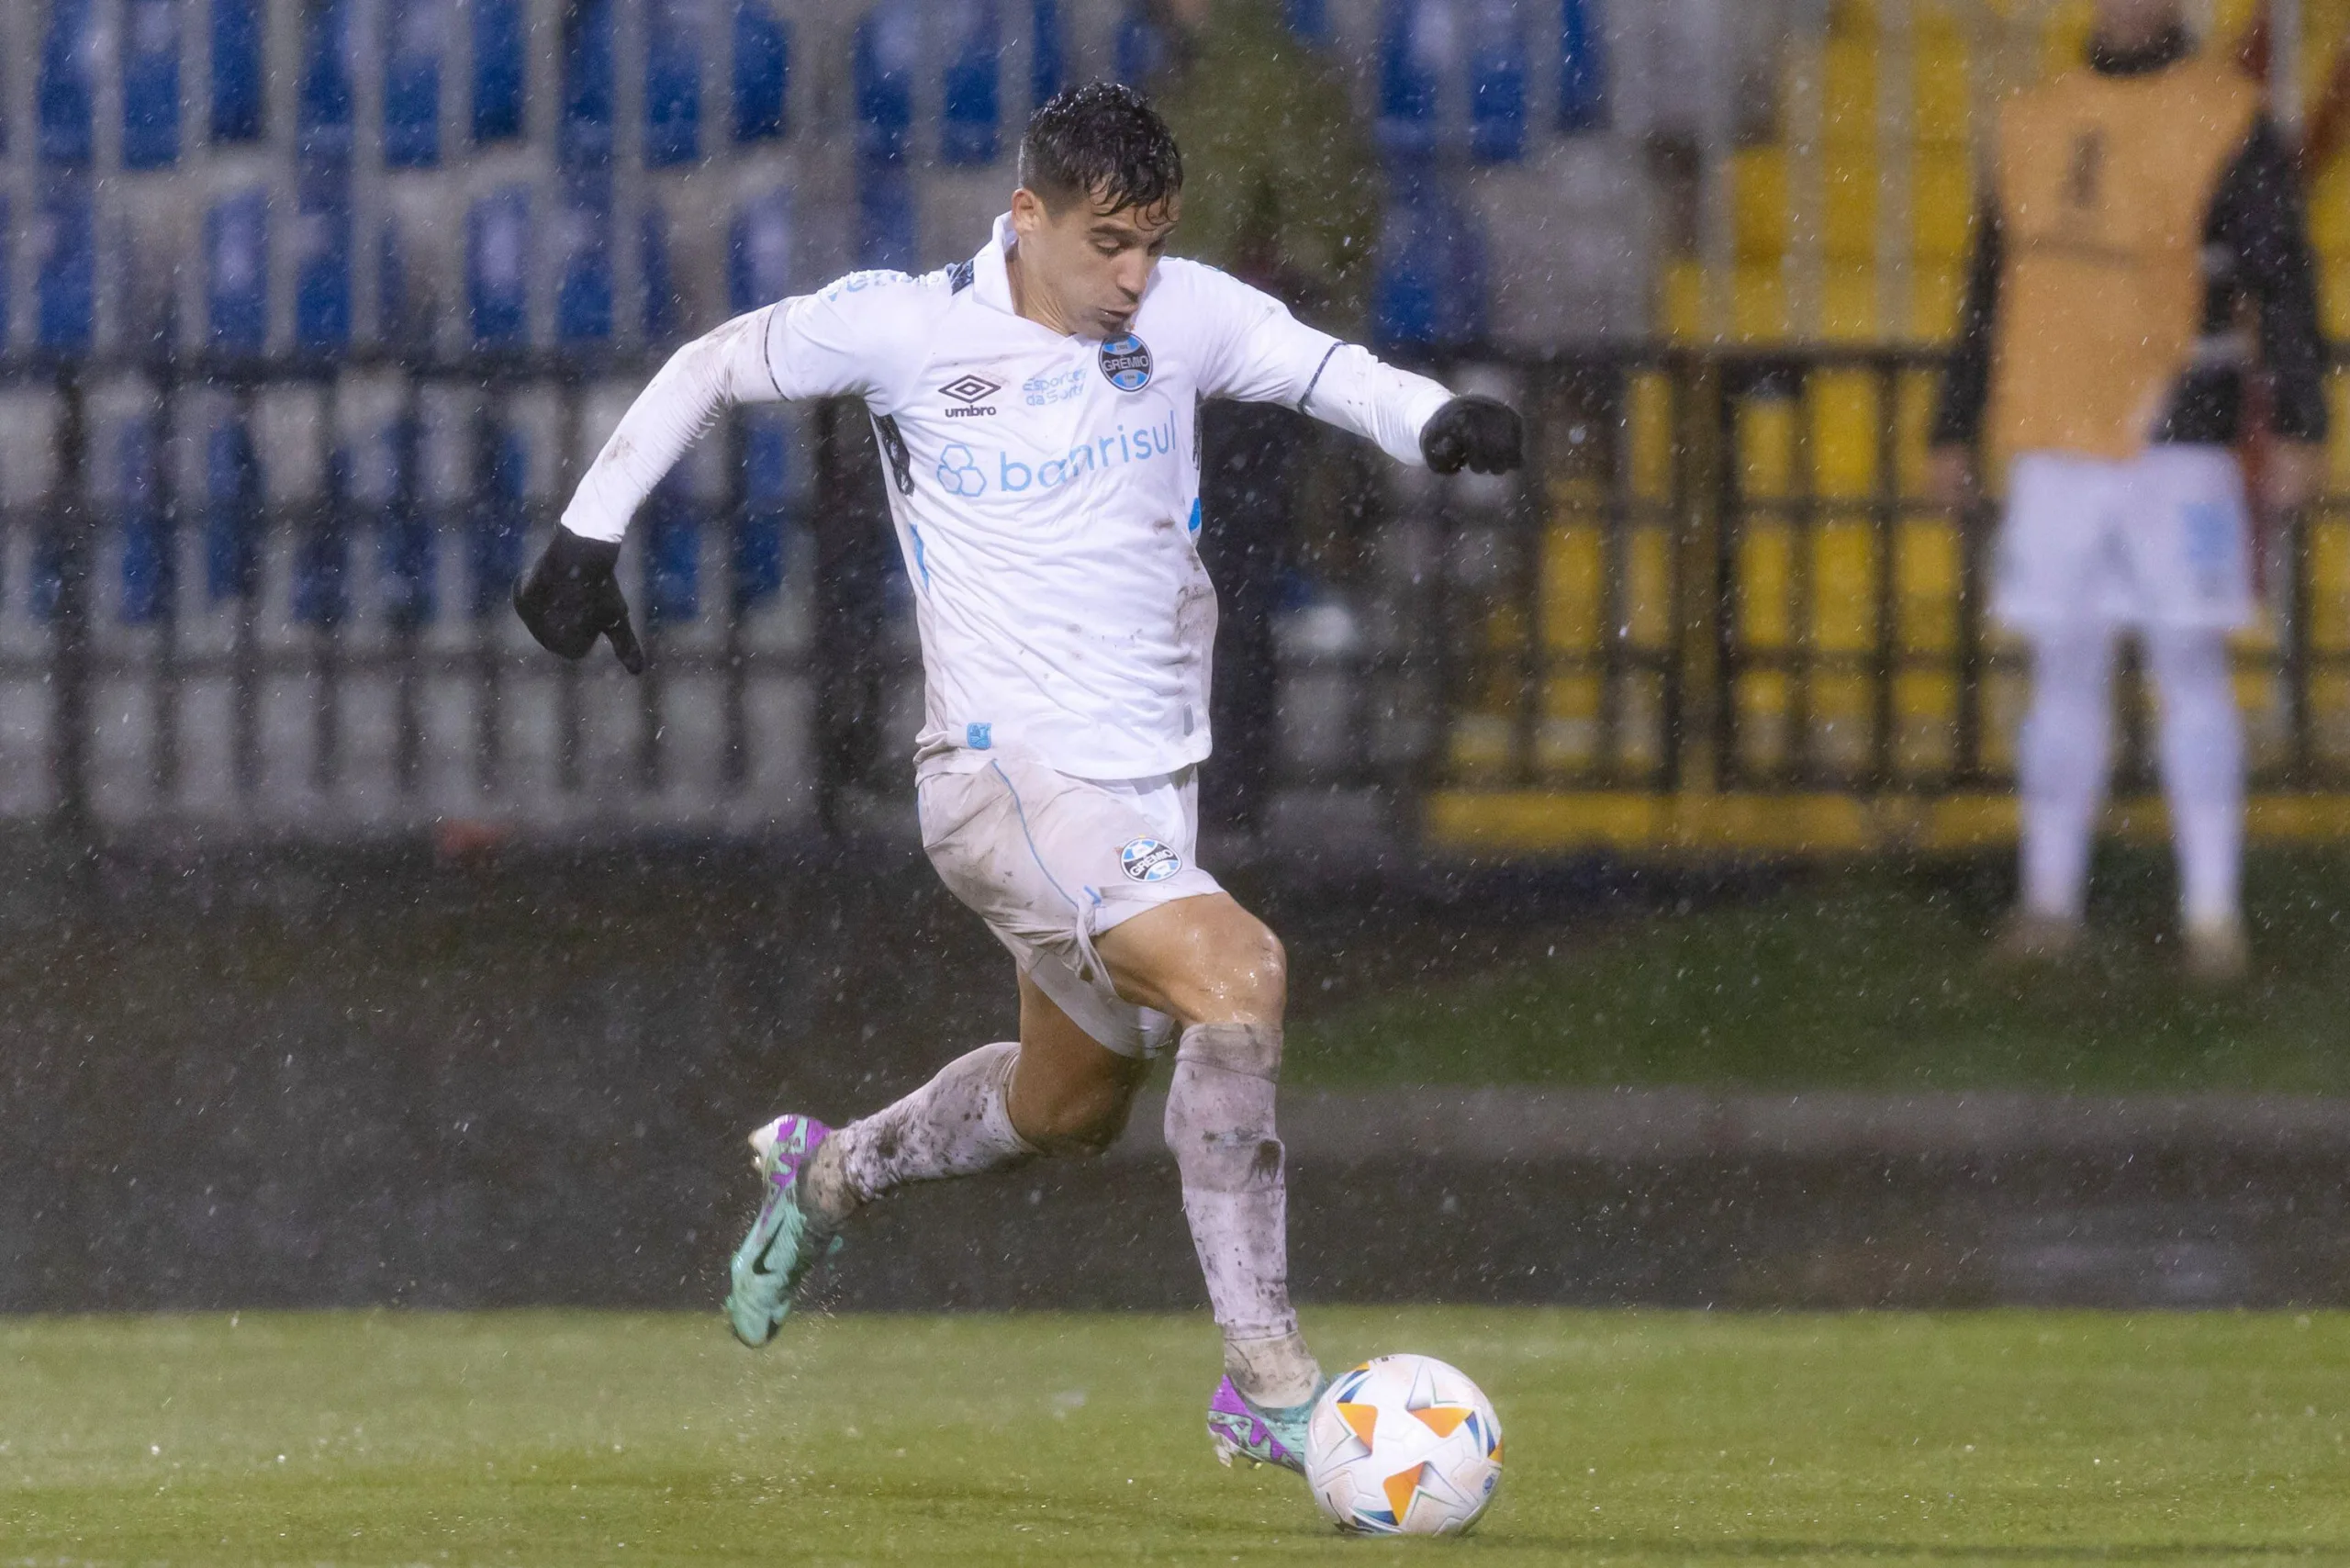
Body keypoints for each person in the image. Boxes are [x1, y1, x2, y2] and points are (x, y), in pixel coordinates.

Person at [510, 84, 1522, 1472]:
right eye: (1107, 242)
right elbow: (710, 363)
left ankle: (827, 1176)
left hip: (1142, 793)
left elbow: (1316, 366)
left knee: (1065, 1112)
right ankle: (1271, 1379)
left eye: (1153, 242)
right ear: (1026, 215)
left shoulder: (1178, 315)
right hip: (1000, 777)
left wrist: (1432, 420)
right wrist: (584, 536)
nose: (1134, 275)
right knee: (1240, 976)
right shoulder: (910, 326)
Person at [1930, 0, 2327, 982]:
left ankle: (2209, 914)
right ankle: (2049, 902)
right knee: (2063, 666)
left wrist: (2304, 422)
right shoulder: (2031, 120)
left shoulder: (2226, 118)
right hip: (2052, 428)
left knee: (2185, 665)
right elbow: (1992, 283)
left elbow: (2283, 281)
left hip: (2176, 431)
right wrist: (1952, 422)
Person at [1149, 0, 1382, 841]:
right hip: (1233, 376)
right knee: (1227, 586)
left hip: (1210, 380)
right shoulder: (1271, 76)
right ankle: (1226, 797)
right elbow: (1334, 228)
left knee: (1210, 586)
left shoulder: (1219, 82)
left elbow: (1306, 233)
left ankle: (1210, 793)